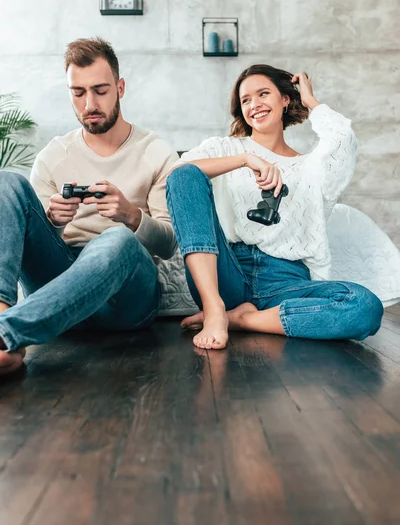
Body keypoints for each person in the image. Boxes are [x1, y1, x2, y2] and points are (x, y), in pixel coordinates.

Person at [166, 64, 384, 350]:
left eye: (263, 94)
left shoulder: (312, 167)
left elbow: (343, 141)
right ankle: (215, 309)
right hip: (226, 274)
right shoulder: (226, 149)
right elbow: (177, 177)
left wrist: (310, 100)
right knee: (184, 173)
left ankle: (241, 320)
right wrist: (244, 159)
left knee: (364, 306)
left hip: (285, 281)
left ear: (285, 99)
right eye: (246, 100)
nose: (254, 104)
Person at [0, 37, 177, 376]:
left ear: (120, 88)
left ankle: (9, 332)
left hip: (126, 298)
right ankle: (2, 333)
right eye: (78, 93)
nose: (89, 103)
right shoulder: (54, 155)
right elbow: (25, 243)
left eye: (100, 90)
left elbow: (169, 245)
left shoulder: (156, 152)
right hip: (61, 281)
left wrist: (131, 216)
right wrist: (54, 220)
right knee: (6, 183)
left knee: (116, 240)